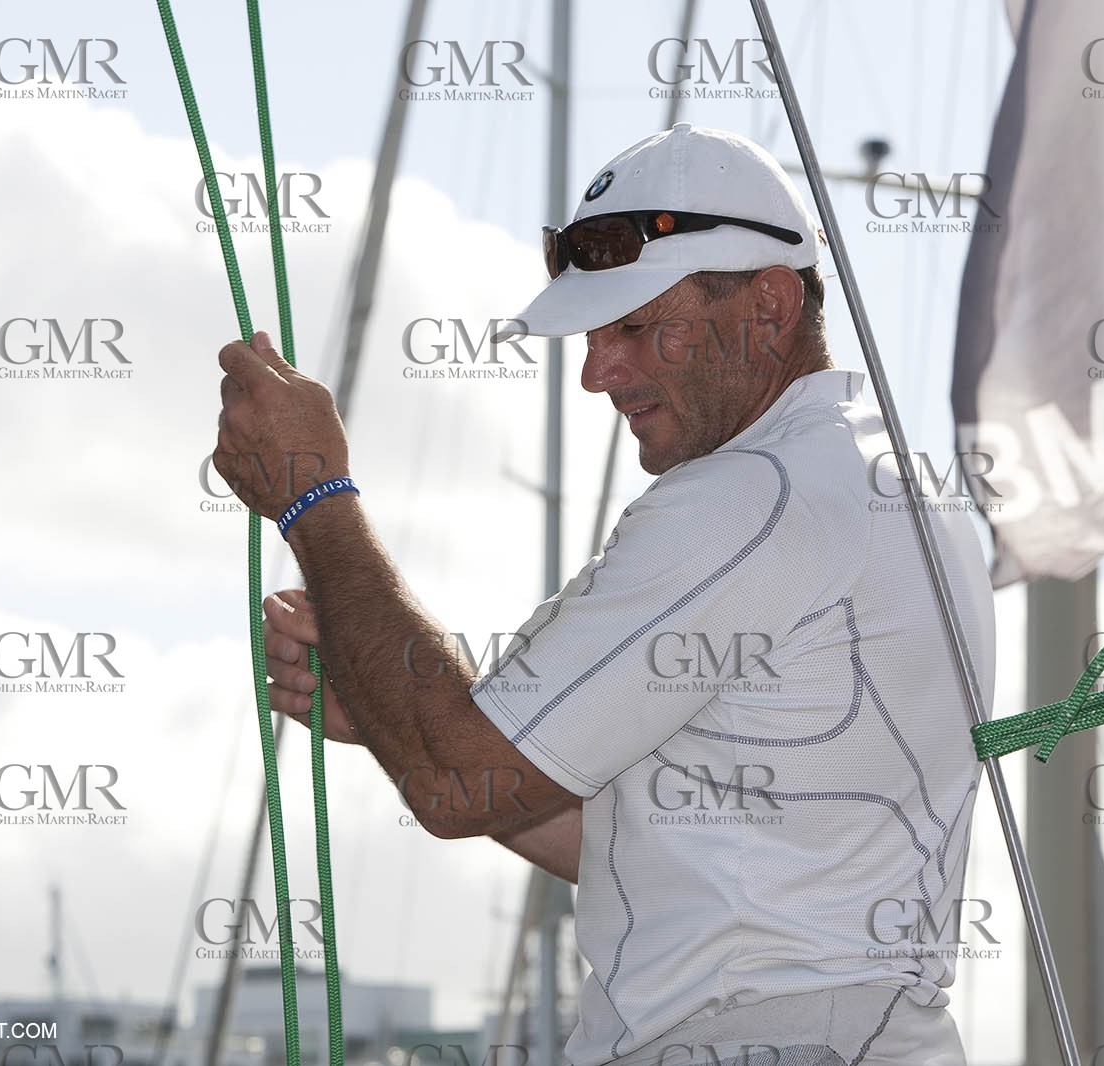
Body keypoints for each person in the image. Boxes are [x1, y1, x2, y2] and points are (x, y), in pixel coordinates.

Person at [211, 123, 993, 1066]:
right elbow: (657, 845)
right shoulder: (887, 477)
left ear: (770, 305)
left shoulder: (753, 497)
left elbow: (459, 783)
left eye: (633, 327)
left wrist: (313, 495)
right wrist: (390, 713)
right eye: (594, 334)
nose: (594, 373)